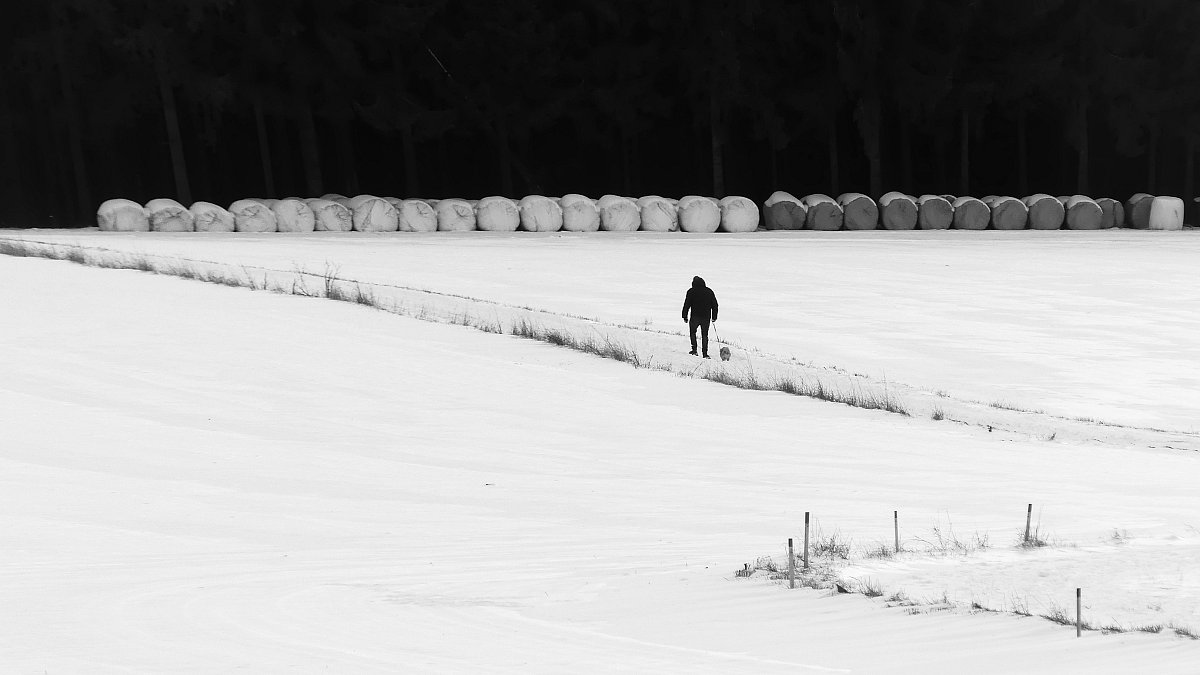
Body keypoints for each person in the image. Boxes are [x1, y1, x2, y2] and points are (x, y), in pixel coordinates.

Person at [681, 275, 718, 357]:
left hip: (695, 317)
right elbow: (715, 305)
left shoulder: (691, 291)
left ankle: (694, 350)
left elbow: (686, 304)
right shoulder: (709, 291)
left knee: (693, 332)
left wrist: (684, 316)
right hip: (706, 317)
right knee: (705, 335)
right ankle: (705, 353)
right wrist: (714, 316)